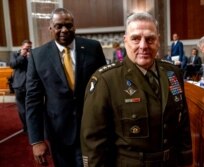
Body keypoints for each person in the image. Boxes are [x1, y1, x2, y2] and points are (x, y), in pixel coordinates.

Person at [81, 12, 193, 167]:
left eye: (150, 39)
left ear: (158, 41)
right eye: (135, 39)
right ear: (125, 41)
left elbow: (183, 122)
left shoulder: (172, 73)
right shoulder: (106, 80)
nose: (143, 46)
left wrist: (186, 159)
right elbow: (93, 141)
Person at [25, 8, 107, 167]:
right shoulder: (38, 56)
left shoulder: (93, 48)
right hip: (59, 133)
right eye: (58, 26)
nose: (64, 30)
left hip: (93, 129)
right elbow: (33, 100)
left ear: (74, 27)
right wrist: (36, 140)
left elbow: (104, 87)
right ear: (51, 28)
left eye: (68, 26)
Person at [9, 39, 32, 133]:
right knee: (22, 109)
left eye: (30, 48)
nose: (28, 50)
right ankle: (26, 127)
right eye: (26, 48)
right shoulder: (15, 54)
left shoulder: (32, 54)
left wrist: (30, 58)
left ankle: (33, 126)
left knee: (31, 107)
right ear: (22, 47)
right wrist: (22, 56)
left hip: (30, 85)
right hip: (19, 85)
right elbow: (12, 65)